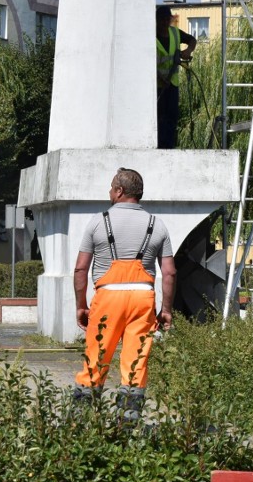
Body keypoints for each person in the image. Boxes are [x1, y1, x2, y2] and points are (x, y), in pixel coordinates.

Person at [72, 168, 176, 420]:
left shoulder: (98, 221)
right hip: (143, 298)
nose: (109, 192)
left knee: (96, 358)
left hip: (107, 297)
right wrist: (166, 310)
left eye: (111, 187)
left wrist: (81, 305)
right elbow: (170, 272)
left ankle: (83, 422)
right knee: (136, 362)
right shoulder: (157, 224)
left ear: (119, 191)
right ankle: (127, 424)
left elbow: (80, 269)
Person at [156, 5, 196, 149]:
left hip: (172, 84)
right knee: (158, 118)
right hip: (156, 86)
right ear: (156, 20)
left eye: (168, 19)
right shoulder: (150, 36)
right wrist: (160, 78)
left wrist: (187, 51)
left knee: (171, 116)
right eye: (162, 20)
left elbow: (192, 40)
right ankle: (159, 146)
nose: (165, 23)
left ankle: (169, 146)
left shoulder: (175, 33)